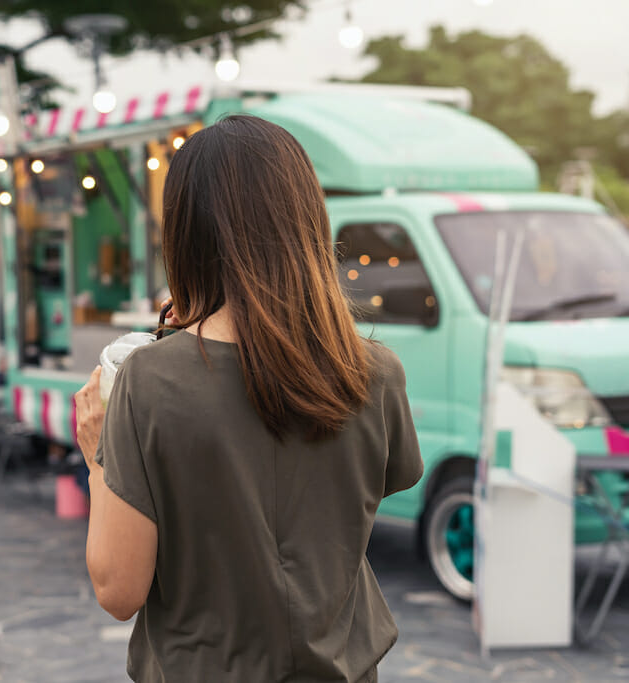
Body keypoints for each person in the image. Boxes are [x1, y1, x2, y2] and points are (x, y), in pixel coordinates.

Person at [74, 115, 424, 682]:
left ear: (185, 233)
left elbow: (119, 589)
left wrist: (98, 455)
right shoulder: (375, 372)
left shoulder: (151, 380)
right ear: (307, 219)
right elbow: (346, 508)